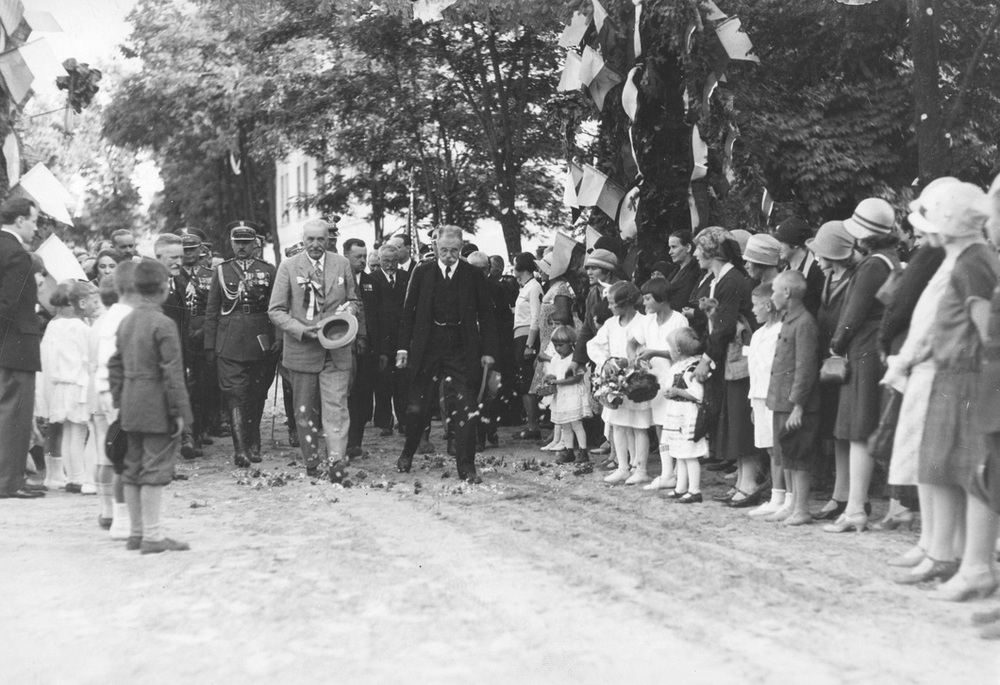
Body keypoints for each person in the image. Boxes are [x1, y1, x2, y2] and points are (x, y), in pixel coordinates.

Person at [901, 181, 999, 595]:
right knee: (940, 467)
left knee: (964, 469)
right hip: (951, 374)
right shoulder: (966, 259)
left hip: (967, 378)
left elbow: (987, 332)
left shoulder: (974, 262)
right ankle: (944, 554)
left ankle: (963, 561)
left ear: (950, 226)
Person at [394, 225, 497, 483]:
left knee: (467, 407)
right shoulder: (422, 273)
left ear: (461, 248)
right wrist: (403, 348)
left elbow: (487, 315)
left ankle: (467, 466)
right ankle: (408, 452)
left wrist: (488, 351)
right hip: (428, 348)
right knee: (418, 406)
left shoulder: (473, 275)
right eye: (444, 250)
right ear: (435, 247)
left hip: (462, 349)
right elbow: (408, 312)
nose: (449, 255)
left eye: (454, 250)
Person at [108, 259, 193, 554]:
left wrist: (120, 399)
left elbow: (114, 366)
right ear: (164, 288)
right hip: (157, 405)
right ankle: (153, 537)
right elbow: (172, 373)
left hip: (130, 405)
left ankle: (136, 533)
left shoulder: (126, 321)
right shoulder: (164, 324)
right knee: (154, 469)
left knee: (132, 469)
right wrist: (180, 412)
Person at [825, 198, 900, 533]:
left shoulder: (871, 266)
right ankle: (893, 507)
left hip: (863, 353)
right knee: (871, 430)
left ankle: (855, 508)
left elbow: (852, 315)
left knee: (858, 432)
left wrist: (836, 345)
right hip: (880, 351)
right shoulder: (892, 260)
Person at [269, 219, 365, 476]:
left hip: (337, 348)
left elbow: (355, 300)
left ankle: (336, 461)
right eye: (310, 239)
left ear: (328, 240)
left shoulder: (341, 264)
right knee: (305, 411)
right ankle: (312, 461)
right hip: (303, 350)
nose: (315, 244)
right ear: (303, 240)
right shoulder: (289, 267)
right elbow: (276, 310)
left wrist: (349, 311)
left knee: (337, 407)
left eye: (320, 239)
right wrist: (301, 330)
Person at [205, 222, 279, 467]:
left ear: (255, 244)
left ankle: (254, 441)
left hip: (260, 339)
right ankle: (240, 450)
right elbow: (212, 310)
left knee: (256, 394)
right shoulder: (222, 270)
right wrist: (209, 345)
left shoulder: (268, 270)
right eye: (238, 242)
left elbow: (276, 307)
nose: (242, 247)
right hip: (230, 340)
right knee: (235, 394)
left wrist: (278, 338)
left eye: (247, 243)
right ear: (231, 243)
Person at [692, 227, 756, 507]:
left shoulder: (730, 281)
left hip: (738, 360)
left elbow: (725, 327)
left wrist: (706, 360)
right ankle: (742, 481)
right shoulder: (721, 279)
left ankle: (749, 483)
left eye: (698, 248)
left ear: (712, 251)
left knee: (739, 419)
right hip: (729, 359)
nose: (695, 254)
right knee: (732, 418)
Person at [806, 221, 857, 521]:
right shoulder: (829, 278)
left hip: (844, 364)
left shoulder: (851, 280)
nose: (816, 258)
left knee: (846, 430)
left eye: (820, 252)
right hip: (827, 362)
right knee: (835, 431)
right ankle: (840, 493)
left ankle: (849, 495)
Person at [766, 270, 820, 526]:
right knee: (786, 455)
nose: (772, 296)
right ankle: (792, 506)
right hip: (781, 400)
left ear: (787, 292)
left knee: (798, 456)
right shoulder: (789, 320)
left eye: (774, 291)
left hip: (795, 404)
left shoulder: (804, 323)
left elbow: (805, 367)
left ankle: (802, 509)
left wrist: (798, 405)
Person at [0, 198, 45, 499]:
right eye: (34, 221)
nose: (35, 228)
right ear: (19, 221)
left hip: (8, 345)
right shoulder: (16, 254)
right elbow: (8, 305)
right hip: (15, 345)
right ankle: (8, 481)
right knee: (14, 416)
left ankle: (12, 477)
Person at [587, 281, 652, 485]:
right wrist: (606, 361)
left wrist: (631, 362)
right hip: (615, 382)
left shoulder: (644, 322)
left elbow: (647, 349)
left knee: (639, 426)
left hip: (636, 381)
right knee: (618, 424)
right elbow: (594, 345)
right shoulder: (610, 324)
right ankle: (623, 467)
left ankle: (640, 468)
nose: (609, 307)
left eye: (612, 303)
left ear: (625, 303)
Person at [90, 262, 138, 540]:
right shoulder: (126, 316)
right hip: (120, 393)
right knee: (127, 457)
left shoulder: (109, 317)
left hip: (107, 391)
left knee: (115, 454)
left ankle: (115, 515)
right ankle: (122, 520)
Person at [40, 281, 99, 494]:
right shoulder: (82, 328)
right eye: (93, 302)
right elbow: (89, 357)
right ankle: (79, 477)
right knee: (78, 432)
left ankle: (72, 477)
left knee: (67, 431)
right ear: (80, 304)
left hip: (61, 386)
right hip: (78, 385)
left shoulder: (56, 325)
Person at [633, 277, 688, 490]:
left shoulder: (679, 320)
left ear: (661, 298)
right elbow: (632, 343)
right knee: (660, 425)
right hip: (654, 380)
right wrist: (636, 357)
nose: (644, 303)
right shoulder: (647, 321)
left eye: (648, 298)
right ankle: (667, 473)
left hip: (675, 378)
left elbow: (682, 352)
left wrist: (654, 352)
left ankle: (678, 474)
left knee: (675, 425)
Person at [176, 227, 220, 448]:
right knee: (186, 386)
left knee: (204, 385)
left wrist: (204, 331)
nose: (188, 253)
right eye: (184, 249)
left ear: (201, 248)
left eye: (192, 248)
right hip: (180, 336)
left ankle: (201, 428)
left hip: (203, 335)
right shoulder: (174, 276)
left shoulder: (211, 276)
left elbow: (216, 308)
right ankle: (188, 434)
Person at [745, 281, 784, 518]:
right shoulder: (758, 333)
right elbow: (755, 369)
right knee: (769, 448)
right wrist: (753, 402)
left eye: (755, 305)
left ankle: (780, 497)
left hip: (775, 396)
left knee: (778, 448)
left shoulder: (782, 330)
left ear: (769, 305)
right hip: (759, 396)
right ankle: (776, 495)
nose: (752, 310)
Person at [529, 252, 576, 447]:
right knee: (551, 388)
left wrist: (550, 318)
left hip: (557, 342)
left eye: (543, 269)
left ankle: (563, 433)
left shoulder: (561, 288)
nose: (540, 272)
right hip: (548, 341)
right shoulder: (554, 288)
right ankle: (557, 432)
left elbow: (563, 315)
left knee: (556, 385)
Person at [469, 250, 513, 449]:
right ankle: (478, 435)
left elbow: (505, 321)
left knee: (492, 392)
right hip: (470, 350)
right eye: (475, 269)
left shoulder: (498, 290)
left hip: (494, 350)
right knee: (473, 392)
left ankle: (490, 428)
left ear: (488, 270)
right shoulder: (460, 289)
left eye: (484, 269)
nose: (480, 273)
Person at [660, 327, 708, 503]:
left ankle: (694, 490)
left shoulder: (691, 368)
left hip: (688, 415)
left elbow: (698, 394)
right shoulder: (677, 367)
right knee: (679, 453)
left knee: (690, 454)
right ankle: (680, 488)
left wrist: (677, 391)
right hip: (676, 414)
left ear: (678, 350)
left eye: (671, 348)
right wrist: (669, 392)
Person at [344, 238, 379, 458]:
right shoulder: (338, 279)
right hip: (343, 345)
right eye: (358, 256)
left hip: (367, 349)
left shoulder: (372, 281)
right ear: (346, 255)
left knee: (363, 397)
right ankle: (346, 443)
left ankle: (356, 441)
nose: (363, 260)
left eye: (365, 256)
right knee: (347, 396)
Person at [370, 244, 410, 436]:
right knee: (383, 384)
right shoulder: (372, 279)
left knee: (403, 384)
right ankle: (385, 422)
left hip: (402, 340)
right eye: (386, 261)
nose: (390, 265)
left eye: (394, 261)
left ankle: (404, 422)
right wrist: (380, 348)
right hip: (382, 340)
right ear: (379, 260)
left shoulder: (406, 278)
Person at [543, 326, 591, 464]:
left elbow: (576, 378)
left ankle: (583, 451)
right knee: (565, 426)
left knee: (576, 424)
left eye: (561, 345)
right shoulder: (555, 359)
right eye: (555, 345)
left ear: (570, 343)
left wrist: (557, 381)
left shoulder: (575, 359)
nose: (558, 348)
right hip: (561, 396)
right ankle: (569, 450)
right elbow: (555, 373)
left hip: (572, 394)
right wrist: (550, 377)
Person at [512, 252, 543, 439]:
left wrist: (530, 343)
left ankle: (533, 426)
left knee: (527, 382)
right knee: (523, 381)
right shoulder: (525, 287)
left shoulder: (534, 287)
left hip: (526, 337)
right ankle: (529, 423)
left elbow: (536, 317)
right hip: (519, 335)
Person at [775, 217, 824, 315]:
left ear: (796, 244)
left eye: (781, 242)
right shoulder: (785, 270)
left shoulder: (816, 271)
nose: (777, 247)